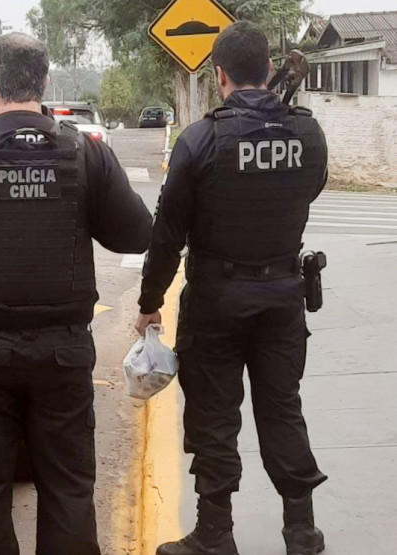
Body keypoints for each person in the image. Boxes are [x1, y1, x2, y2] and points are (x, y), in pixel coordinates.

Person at [0, 33, 153, 555]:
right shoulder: (85, 153)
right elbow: (136, 235)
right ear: (44, 82)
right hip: (61, 351)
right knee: (67, 487)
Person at [136, 21, 328, 555]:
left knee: (215, 417)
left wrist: (150, 304)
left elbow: (167, 235)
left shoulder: (201, 140)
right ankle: (302, 532)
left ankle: (215, 535)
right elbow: (310, 187)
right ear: (268, 69)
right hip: (283, 298)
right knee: (282, 409)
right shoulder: (308, 133)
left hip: (217, 302)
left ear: (218, 74)